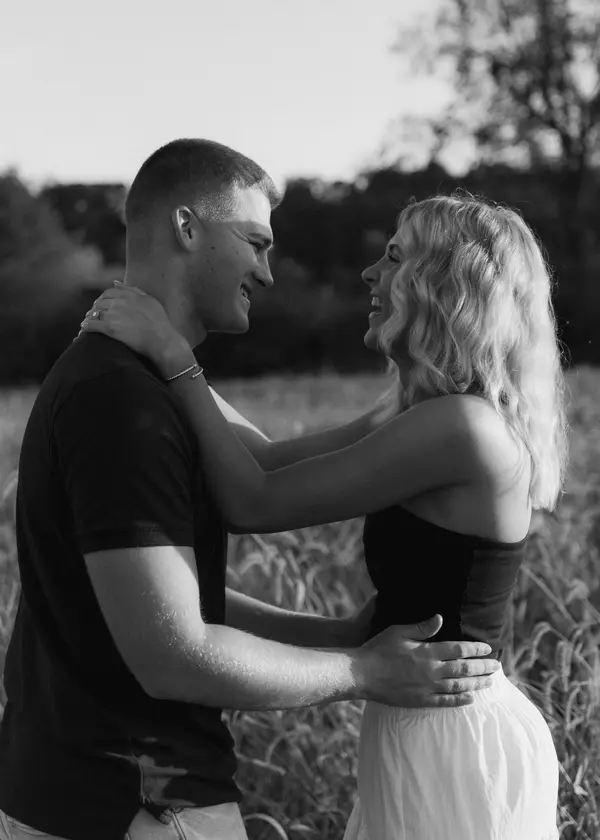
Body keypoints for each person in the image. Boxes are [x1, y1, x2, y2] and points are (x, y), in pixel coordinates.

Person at [0, 141, 499, 840]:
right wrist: (358, 669)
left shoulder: (139, 384)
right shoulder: (124, 399)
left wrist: (337, 636)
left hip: (95, 793)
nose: (266, 271)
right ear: (187, 228)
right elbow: (175, 650)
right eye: (256, 243)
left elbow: (184, 569)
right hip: (137, 801)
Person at [82, 190, 567, 840]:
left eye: (394, 256)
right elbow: (265, 459)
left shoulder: (462, 426)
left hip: (455, 734)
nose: (370, 273)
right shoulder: (422, 413)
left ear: (443, 284)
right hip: (418, 717)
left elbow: (253, 500)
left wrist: (174, 359)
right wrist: (162, 354)